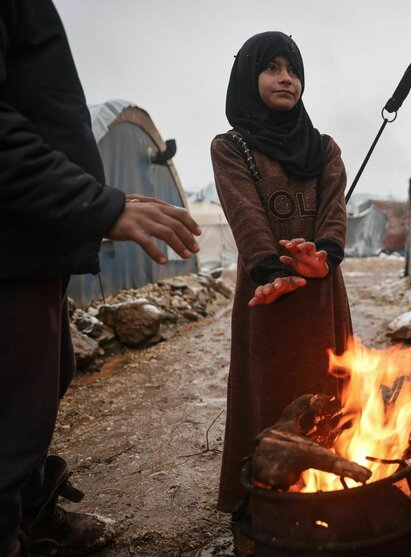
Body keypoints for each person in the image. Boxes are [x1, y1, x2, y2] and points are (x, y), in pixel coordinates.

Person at [0, 1, 202, 556]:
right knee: (10, 427)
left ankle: (34, 514)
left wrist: (96, 198)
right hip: (11, 250)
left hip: (34, 244)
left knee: (42, 391)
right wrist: (94, 205)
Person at [210, 31, 351, 549]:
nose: (285, 78)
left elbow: (334, 209)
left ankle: (331, 494)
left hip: (321, 293)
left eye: (292, 69)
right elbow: (245, 212)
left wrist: (324, 257)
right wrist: (271, 270)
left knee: (327, 392)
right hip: (266, 297)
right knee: (267, 398)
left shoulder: (324, 148)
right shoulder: (231, 147)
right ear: (249, 78)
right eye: (271, 68)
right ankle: (264, 504)